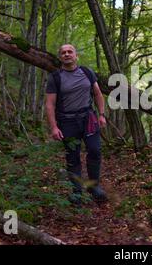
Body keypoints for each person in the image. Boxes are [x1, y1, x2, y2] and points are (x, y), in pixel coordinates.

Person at [45, 44, 107, 205]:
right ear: (60, 57)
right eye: (63, 52)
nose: (67, 54)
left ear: (75, 55)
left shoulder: (87, 72)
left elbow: (98, 94)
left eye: (69, 52)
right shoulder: (55, 77)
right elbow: (50, 104)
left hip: (89, 118)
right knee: (72, 157)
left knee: (95, 150)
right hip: (67, 121)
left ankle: (94, 187)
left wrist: (101, 115)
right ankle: (77, 192)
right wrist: (53, 127)